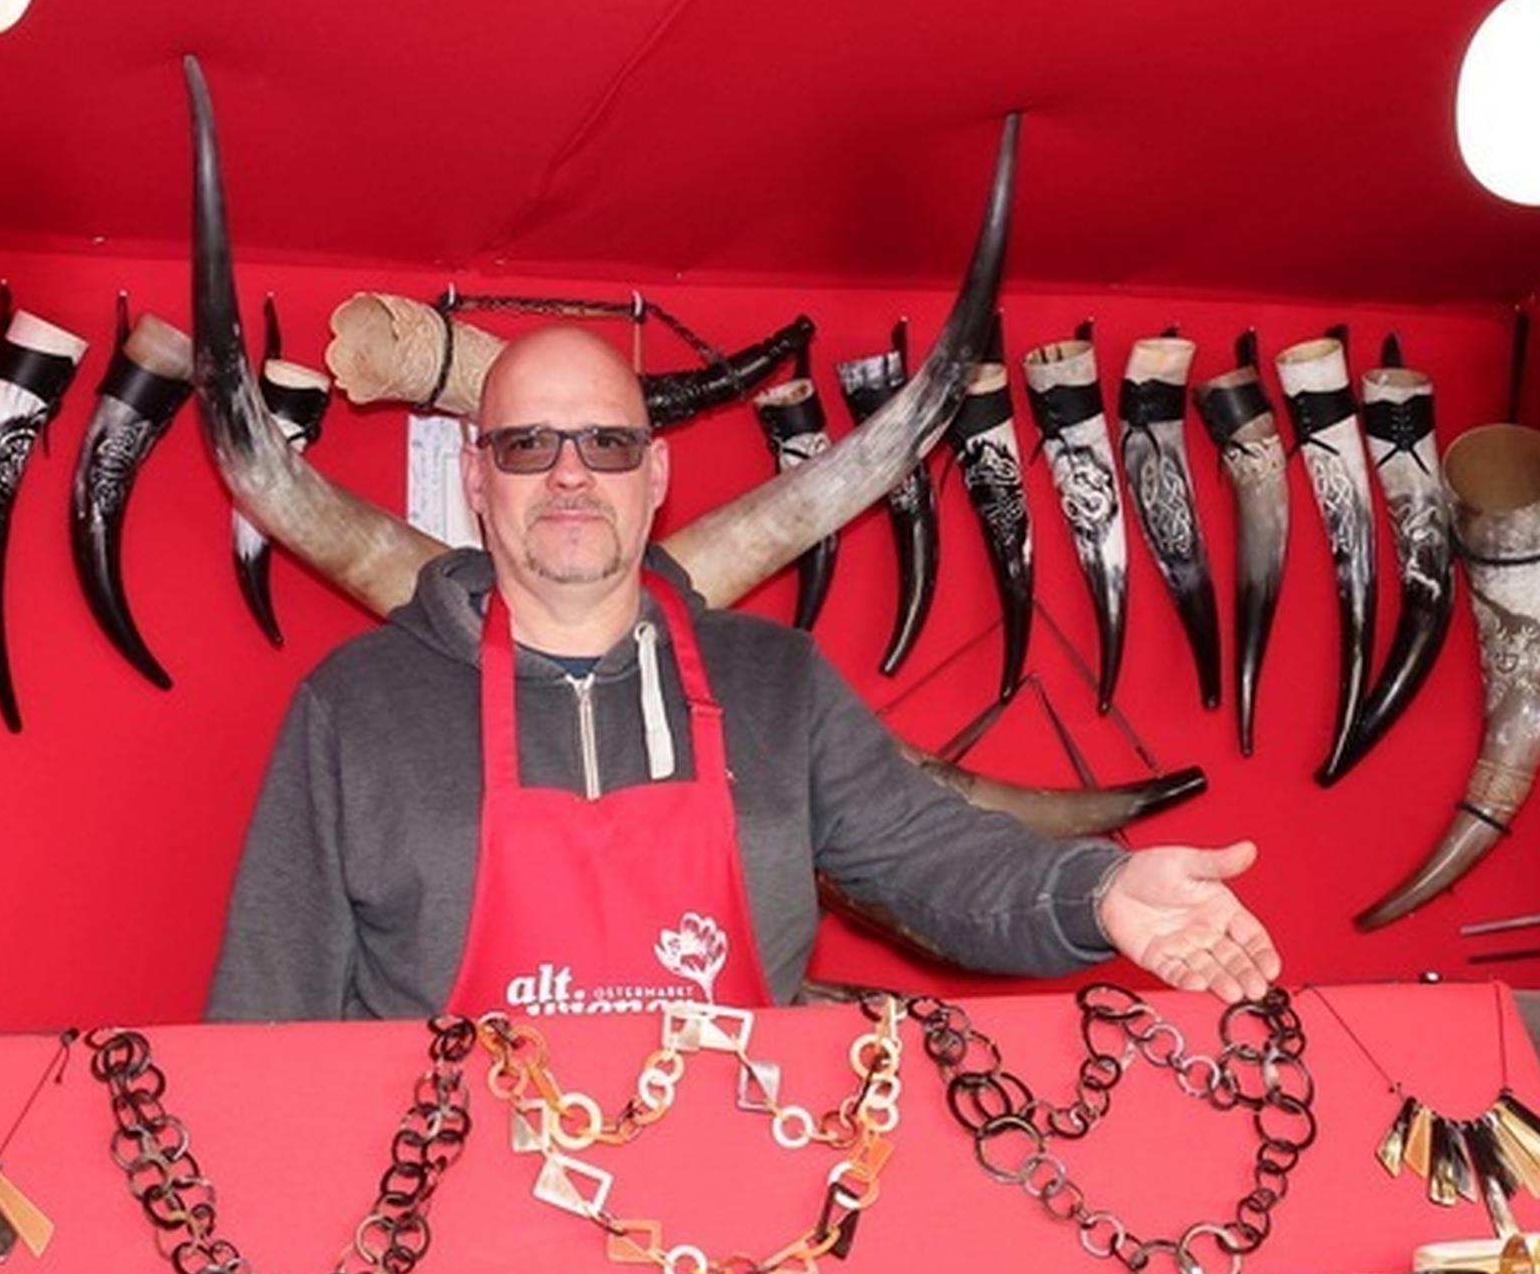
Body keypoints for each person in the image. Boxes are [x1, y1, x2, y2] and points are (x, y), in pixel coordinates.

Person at [207, 327, 1280, 1022]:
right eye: (529, 446)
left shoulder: (779, 684)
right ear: (477, 479)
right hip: (446, 1250)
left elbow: (936, 861)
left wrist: (1101, 890)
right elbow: (267, 1011)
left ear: (657, 473)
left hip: (737, 1240)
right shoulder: (356, 705)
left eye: (609, 445)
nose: (572, 475)